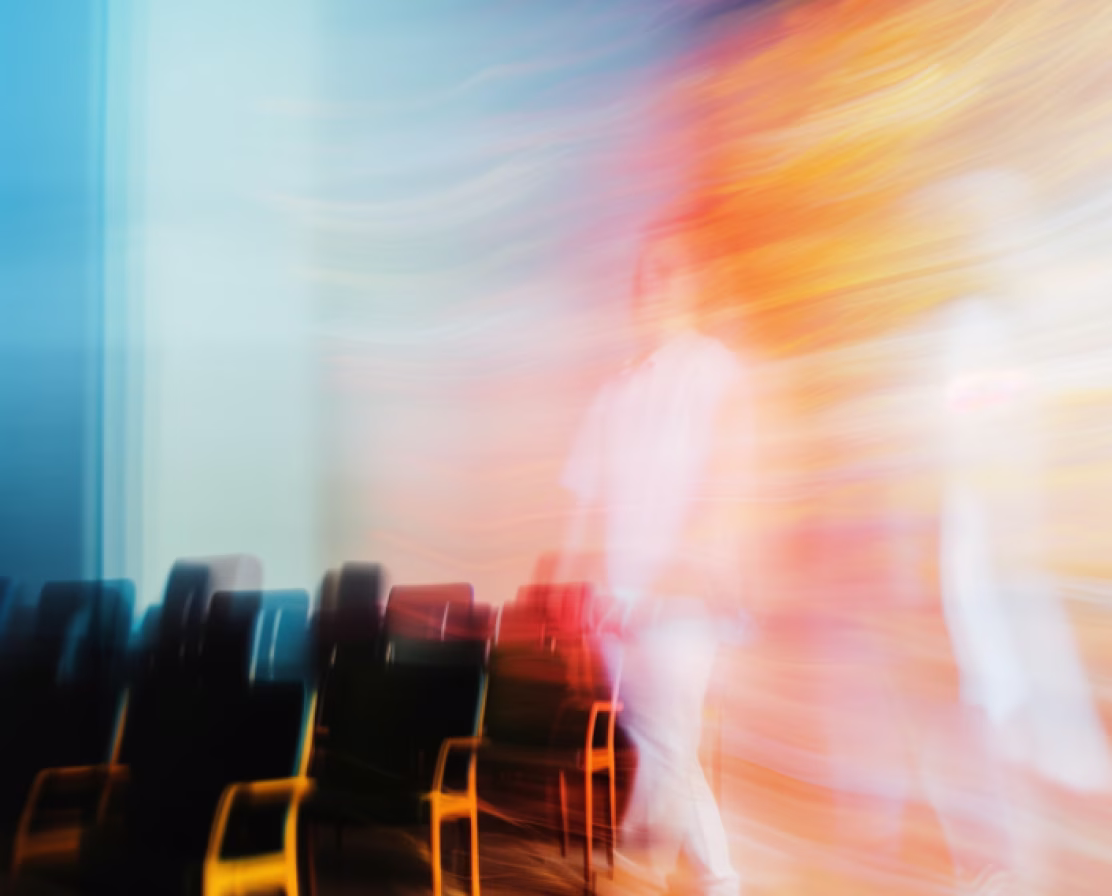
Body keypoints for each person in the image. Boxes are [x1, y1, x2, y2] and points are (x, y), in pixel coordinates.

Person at [557, 225, 751, 896]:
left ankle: (633, 879)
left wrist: (672, 581)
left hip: (685, 603)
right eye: (644, 277)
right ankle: (721, 880)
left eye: (667, 273)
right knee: (669, 749)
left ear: (695, 285)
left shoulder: (718, 371)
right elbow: (585, 502)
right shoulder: (616, 392)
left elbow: (722, 486)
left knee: (667, 748)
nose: (652, 287)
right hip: (620, 609)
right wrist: (582, 596)